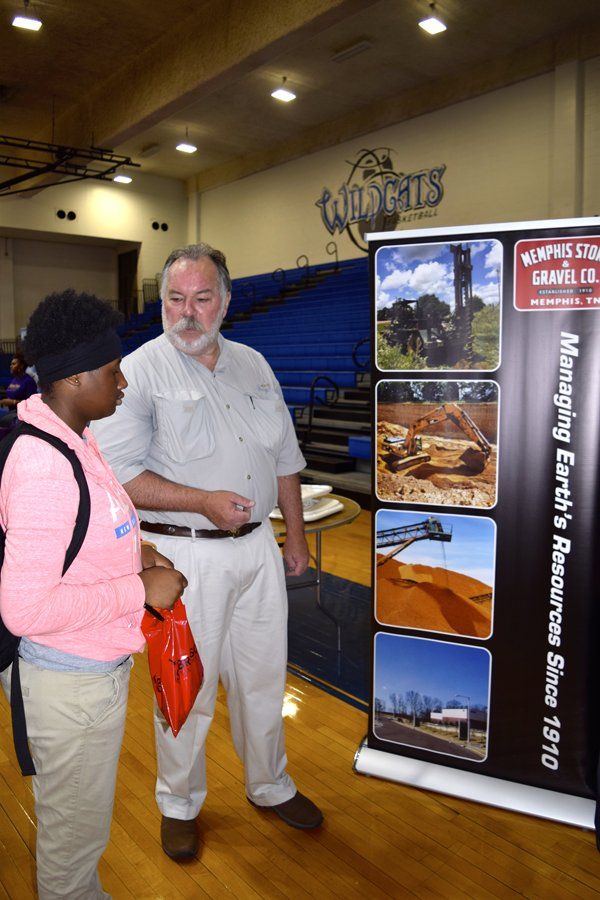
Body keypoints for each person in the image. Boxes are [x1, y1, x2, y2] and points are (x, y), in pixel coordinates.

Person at [93, 243, 323, 861]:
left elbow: (285, 459)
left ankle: (270, 785)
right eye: (174, 299)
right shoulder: (138, 371)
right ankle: (179, 802)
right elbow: (117, 476)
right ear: (162, 301)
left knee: (262, 678)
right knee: (185, 687)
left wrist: (295, 536)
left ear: (225, 300)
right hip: (183, 560)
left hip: (259, 553)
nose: (187, 313)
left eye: (201, 298)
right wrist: (201, 501)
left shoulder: (254, 363)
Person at [0, 289, 186, 899]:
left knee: (79, 835)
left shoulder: (77, 437)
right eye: (113, 371)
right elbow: (25, 609)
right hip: (70, 686)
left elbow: (80, 538)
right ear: (75, 378)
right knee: (71, 854)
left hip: (87, 672)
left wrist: (136, 551)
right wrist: (139, 589)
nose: (124, 382)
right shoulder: (44, 463)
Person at [0, 352, 37, 419]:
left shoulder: (28, 381)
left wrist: (14, 402)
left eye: (14, 364)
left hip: (21, 415)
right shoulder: (15, 379)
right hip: (11, 411)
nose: (10, 366)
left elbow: (32, 404)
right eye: (11, 364)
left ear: (21, 366)